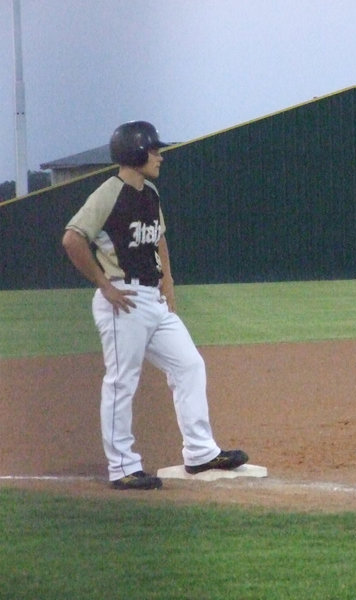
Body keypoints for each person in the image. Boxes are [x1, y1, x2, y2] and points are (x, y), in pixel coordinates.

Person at [62, 120, 249, 489]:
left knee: (189, 365)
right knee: (122, 383)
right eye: (154, 150)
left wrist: (170, 285)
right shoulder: (108, 193)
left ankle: (200, 453)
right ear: (135, 152)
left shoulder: (150, 193)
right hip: (124, 299)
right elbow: (72, 239)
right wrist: (104, 285)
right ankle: (122, 467)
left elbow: (158, 239)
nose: (160, 157)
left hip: (153, 299)